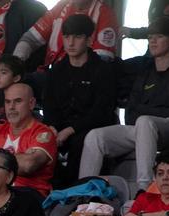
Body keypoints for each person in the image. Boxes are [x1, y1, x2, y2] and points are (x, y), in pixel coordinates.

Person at [78, 18, 169, 193]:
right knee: (95, 136)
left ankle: (143, 188)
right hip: (141, 129)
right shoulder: (145, 72)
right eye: (150, 37)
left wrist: (145, 112)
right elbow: (131, 113)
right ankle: (83, 192)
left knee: (144, 121)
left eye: (159, 36)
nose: (152, 41)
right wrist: (155, 111)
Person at [41, 14, 117, 186]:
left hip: (90, 129)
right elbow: (49, 105)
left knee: (79, 142)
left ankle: (75, 193)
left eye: (77, 37)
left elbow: (102, 111)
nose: (71, 43)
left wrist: (69, 130)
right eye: (67, 37)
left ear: (89, 40)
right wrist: (52, 127)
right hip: (60, 128)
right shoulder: (57, 71)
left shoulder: (103, 70)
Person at [0, 83, 57, 196]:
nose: (11, 107)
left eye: (17, 101)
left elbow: (28, 165)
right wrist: (19, 156)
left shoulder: (43, 133)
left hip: (27, 196)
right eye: (7, 102)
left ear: (31, 104)